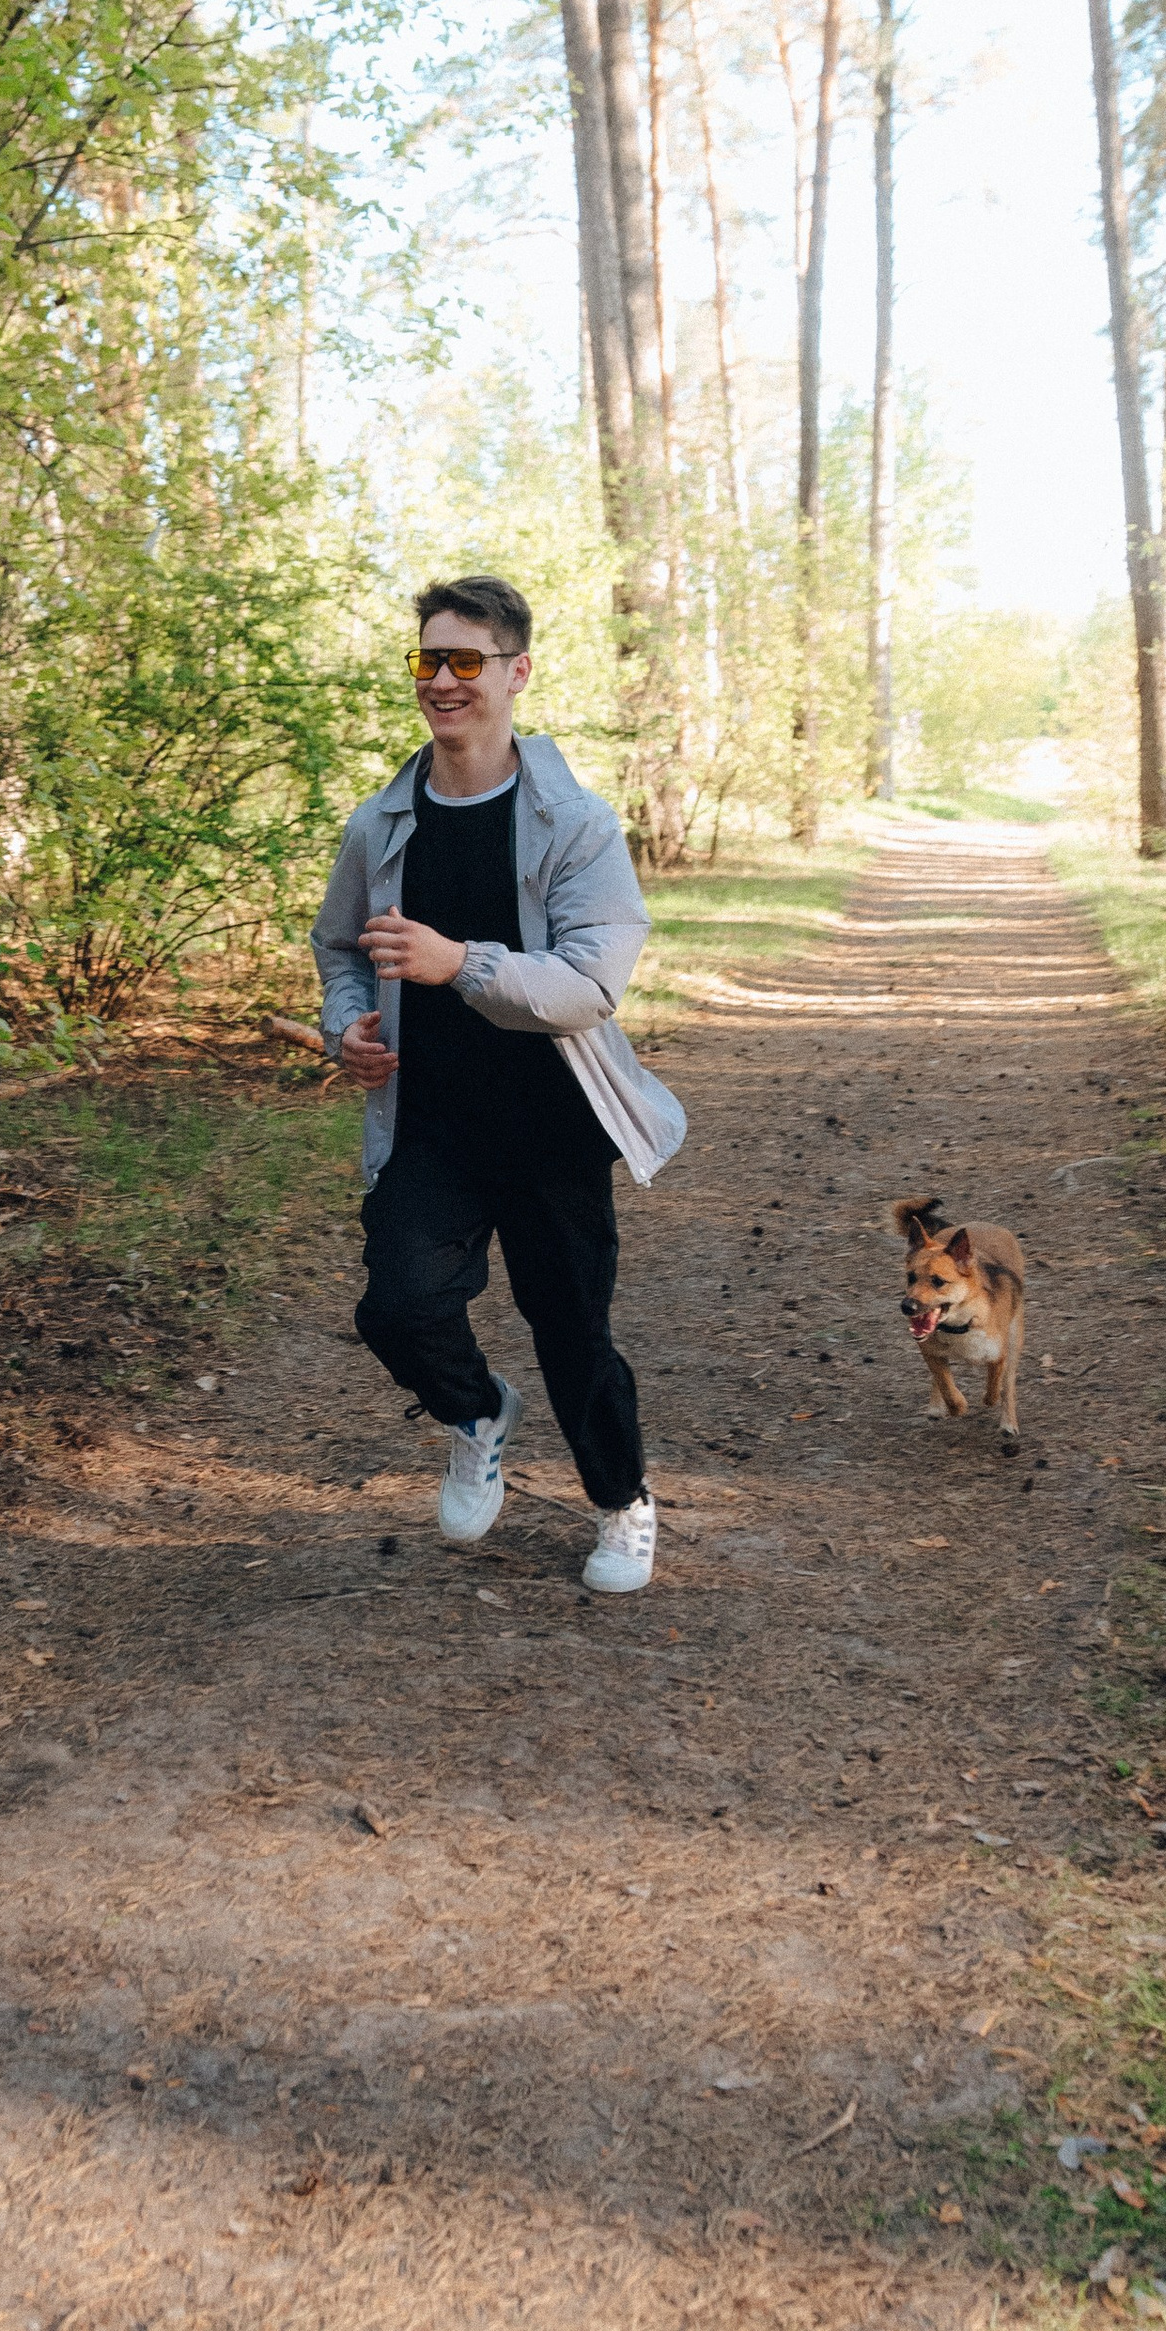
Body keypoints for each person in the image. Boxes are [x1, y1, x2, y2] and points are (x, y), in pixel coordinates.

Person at [311, 576, 684, 1594]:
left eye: (465, 660)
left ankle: (622, 1503)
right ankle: (474, 1414)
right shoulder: (379, 824)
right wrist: (346, 1022)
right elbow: (340, 948)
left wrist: (456, 962)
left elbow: (589, 985)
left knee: (573, 1333)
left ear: (516, 672)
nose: (442, 679)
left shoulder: (575, 822)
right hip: (429, 1121)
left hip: (554, 1126)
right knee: (396, 1305)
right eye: (428, 659)